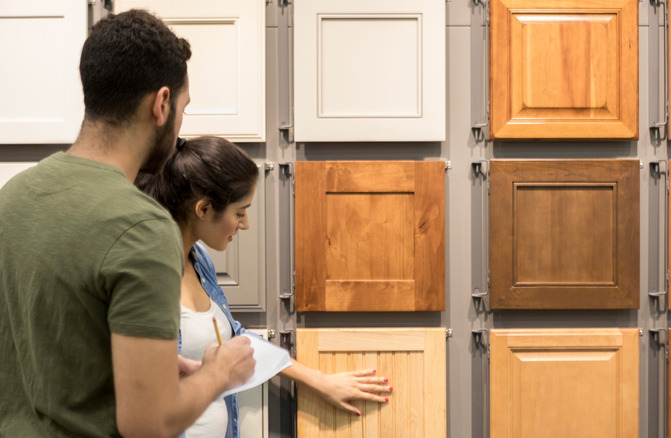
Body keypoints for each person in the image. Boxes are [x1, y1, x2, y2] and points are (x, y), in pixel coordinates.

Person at [0, 10, 255, 438]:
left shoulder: (13, 197)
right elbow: (148, 424)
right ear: (161, 104)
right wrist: (220, 373)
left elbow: (46, 343)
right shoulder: (143, 226)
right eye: (182, 108)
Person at [136, 136, 393, 438]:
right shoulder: (143, 277)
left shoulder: (199, 259)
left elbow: (235, 337)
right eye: (240, 212)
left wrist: (319, 380)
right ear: (203, 209)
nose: (245, 225)